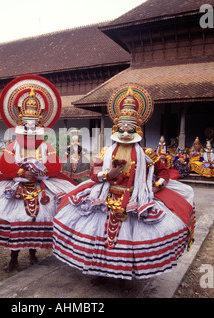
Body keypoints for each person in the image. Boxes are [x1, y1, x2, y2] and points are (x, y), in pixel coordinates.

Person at [53, 84, 195, 283]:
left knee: (128, 243)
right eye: (122, 128)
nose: (126, 133)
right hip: (106, 196)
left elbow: (164, 173)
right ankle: (100, 272)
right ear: (116, 129)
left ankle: (124, 278)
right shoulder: (106, 152)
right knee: (99, 237)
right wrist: (108, 174)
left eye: (130, 129)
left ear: (137, 129)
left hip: (135, 198)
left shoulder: (147, 154)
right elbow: (94, 175)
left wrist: (157, 186)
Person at [0, 75, 77, 272]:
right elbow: (4, 165)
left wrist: (38, 172)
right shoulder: (13, 145)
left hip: (42, 186)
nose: (30, 128)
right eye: (27, 125)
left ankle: (33, 253)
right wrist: (22, 172)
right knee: (15, 221)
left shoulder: (46, 146)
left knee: (38, 220)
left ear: (40, 126)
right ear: (20, 125)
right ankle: (13, 258)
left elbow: (55, 167)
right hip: (17, 186)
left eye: (34, 125)